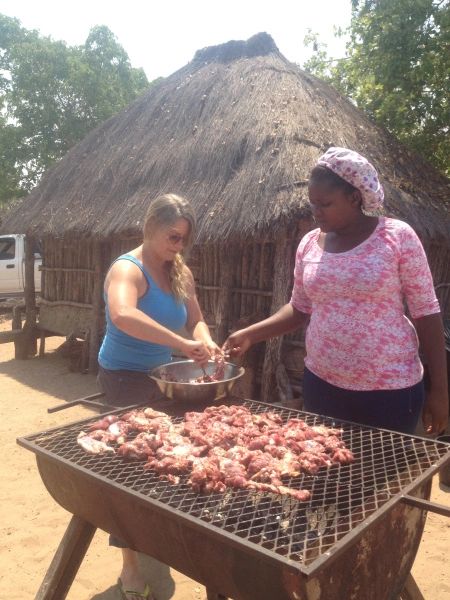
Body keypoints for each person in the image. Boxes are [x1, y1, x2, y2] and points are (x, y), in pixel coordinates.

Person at [223, 147, 449, 436]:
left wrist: (440, 391)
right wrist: (251, 334)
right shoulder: (309, 243)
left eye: (325, 204)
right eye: (313, 204)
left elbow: (427, 312)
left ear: (354, 198)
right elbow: (299, 308)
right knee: (327, 472)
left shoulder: (397, 237)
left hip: (388, 391)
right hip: (322, 385)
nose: (316, 212)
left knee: (383, 478)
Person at [97, 193, 220, 600]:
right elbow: (123, 315)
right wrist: (180, 344)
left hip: (162, 378)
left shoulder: (179, 272)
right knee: (129, 473)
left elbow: (197, 319)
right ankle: (131, 570)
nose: (178, 245)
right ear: (149, 227)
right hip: (125, 379)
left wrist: (205, 341)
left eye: (183, 239)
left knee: (171, 461)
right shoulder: (127, 269)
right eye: (172, 236)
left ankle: (165, 545)